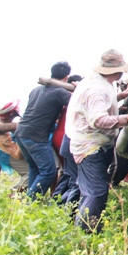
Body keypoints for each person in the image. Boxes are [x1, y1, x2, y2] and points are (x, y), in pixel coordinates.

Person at [67, 49, 128, 233]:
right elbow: (98, 119)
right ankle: (86, 233)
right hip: (90, 146)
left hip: (91, 143)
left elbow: (100, 104)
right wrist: (126, 119)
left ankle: (71, 218)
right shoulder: (96, 89)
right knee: (96, 191)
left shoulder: (97, 83)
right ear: (118, 71)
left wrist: (120, 96)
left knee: (86, 186)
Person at [15, 61, 72, 199]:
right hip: (36, 137)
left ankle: (31, 202)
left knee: (35, 168)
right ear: (66, 77)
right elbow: (79, 104)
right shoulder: (60, 92)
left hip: (21, 133)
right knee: (48, 172)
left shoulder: (36, 90)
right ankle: (29, 202)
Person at [51, 75, 83, 205]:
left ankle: (56, 200)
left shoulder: (66, 103)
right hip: (70, 139)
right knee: (75, 177)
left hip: (60, 139)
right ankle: (68, 206)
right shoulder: (76, 101)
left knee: (67, 173)